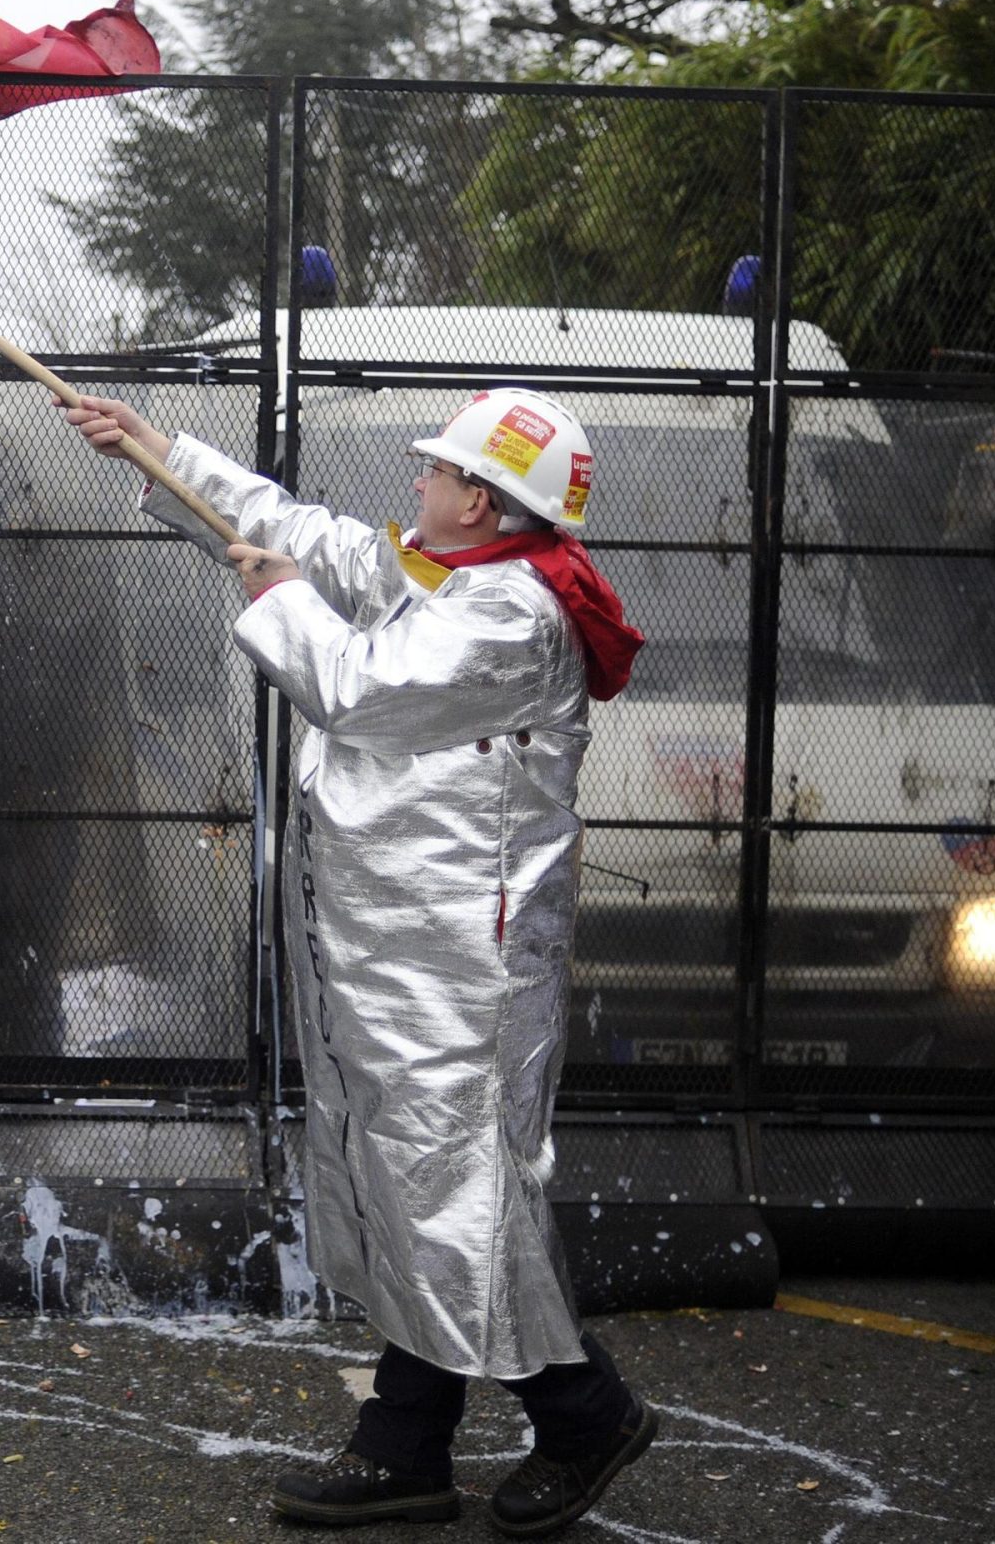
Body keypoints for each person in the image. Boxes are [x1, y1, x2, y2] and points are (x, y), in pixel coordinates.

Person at [65, 387, 656, 1538]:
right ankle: (405, 1443)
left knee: (457, 1189)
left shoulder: (511, 615)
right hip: (405, 958)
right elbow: (312, 538)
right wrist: (153, 447)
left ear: (479, 500)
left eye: (435, 471)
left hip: (461, 974)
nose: (417, 483)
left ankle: (583, 1412)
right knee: (407, 1182)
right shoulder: (462, 581)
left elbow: (355, 687)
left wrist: (284, 607)